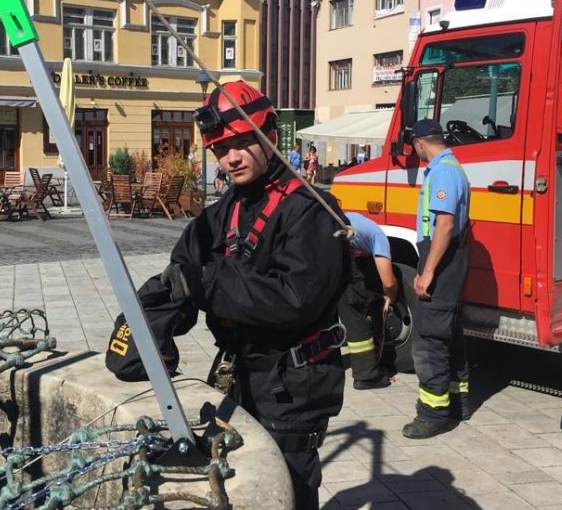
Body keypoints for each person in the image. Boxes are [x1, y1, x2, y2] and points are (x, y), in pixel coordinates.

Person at [152, 80, 350, 509]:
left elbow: (293, 299)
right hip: (243, 372)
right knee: (243, 483)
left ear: (271, 135)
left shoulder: (311, 210)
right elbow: (183, 265)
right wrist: (148, 321)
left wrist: (208, 282)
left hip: (293, 384)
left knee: (287, 486)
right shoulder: (229, 208)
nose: (232, 158)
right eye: (221, 149)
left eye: (243, 142)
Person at [404, 119, 471, 440]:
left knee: (430, 338)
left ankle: (432, 414)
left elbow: (444, 225)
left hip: (441, 260)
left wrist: (427, 271)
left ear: (419, 143)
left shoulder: (443, 171)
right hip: (449, 258)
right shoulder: (451, 167)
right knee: (449, 333)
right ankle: (458, 403)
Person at [341, 211, 398, 390]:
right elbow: (388, 282)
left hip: (313, 254)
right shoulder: (378, 237)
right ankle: (366, 376)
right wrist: (391, 297)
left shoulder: (350, 221)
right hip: (331, 255)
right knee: (354, 313)